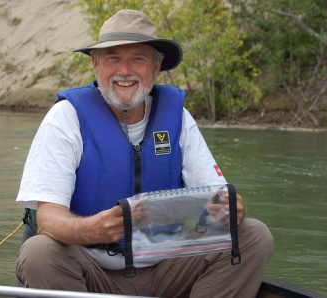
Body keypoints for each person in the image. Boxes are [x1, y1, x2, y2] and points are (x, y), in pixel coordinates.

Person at [16, 9, 273, 298]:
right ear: (95, 63)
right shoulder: (66, 117)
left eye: (138, 58)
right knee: (39, 251)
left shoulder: (178, 117)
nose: (124, 71)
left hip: (170, 268)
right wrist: (93, 229)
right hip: (90, 272)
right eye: (113, 58)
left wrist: (228, 211)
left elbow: (218, 200)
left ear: (156, 66)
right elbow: (49, 220)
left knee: (254, 235)